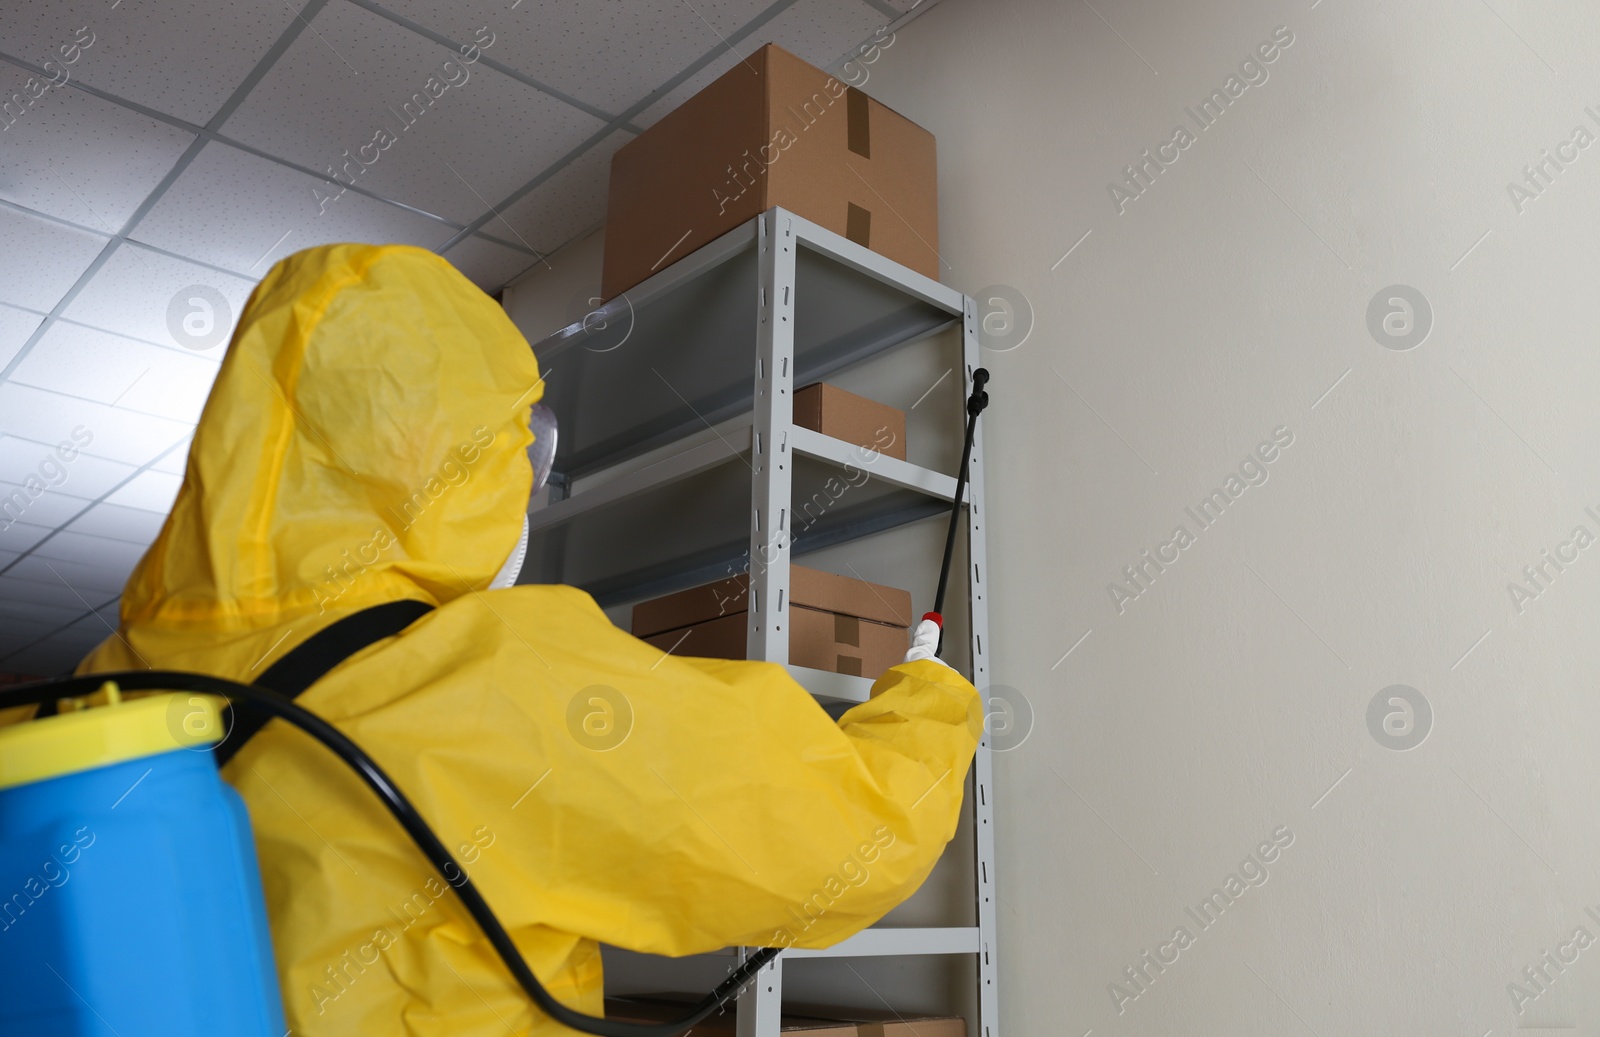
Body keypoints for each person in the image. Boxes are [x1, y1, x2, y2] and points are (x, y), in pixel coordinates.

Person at [77, 243, 982, 1036]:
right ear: (439, 460)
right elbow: (844, 839)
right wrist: (932, 701)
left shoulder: (113, 682)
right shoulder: (487, 685)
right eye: (514, 446)